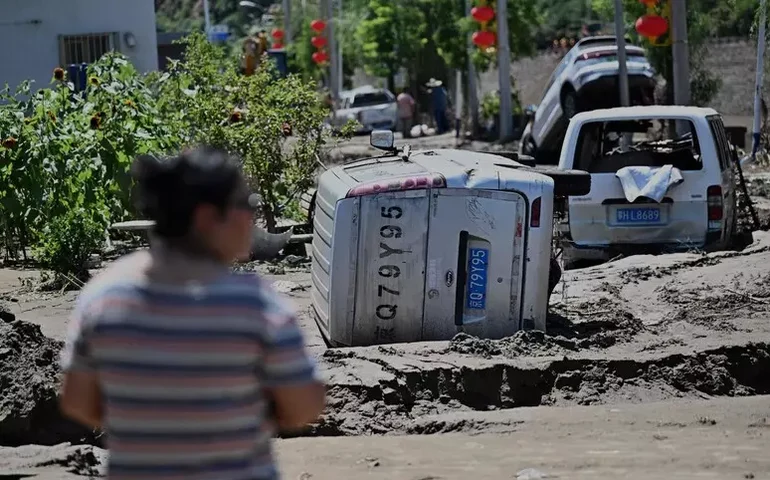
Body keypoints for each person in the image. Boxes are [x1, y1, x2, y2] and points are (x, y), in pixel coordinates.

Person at [58, 146, 325, 480]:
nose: (253, 216)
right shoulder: (255, 305)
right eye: (246, 204)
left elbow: (77, 402)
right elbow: (303, 409)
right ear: (206, 217)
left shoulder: (103, 295)